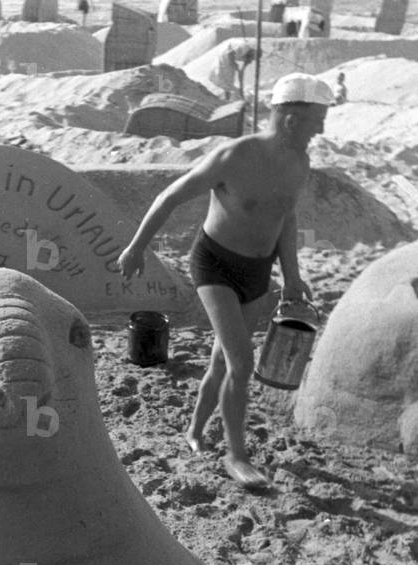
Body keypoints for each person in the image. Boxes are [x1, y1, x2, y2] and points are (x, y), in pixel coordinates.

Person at [117, 73, 335, 489]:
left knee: (222, 362)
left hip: (258, 272)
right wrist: (136, 248)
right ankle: (237, 456)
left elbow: (285, 218)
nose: (321, 129)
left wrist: (292, 275)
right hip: (214, 264)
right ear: (290, 119)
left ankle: (195, 432)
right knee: (242, 363)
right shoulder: (233, 157)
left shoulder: (299, 163)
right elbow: (170, 197)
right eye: (316, 120)